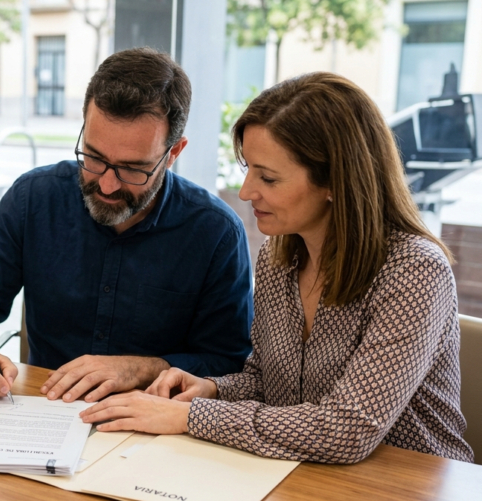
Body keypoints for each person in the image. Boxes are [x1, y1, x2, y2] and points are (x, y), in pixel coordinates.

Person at [80, 72, 474, 464]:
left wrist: (190, 415)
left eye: (268, 177)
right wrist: (210, 389)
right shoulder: (277, 257)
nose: (247, 191)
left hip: (412, 493)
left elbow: (348, 430)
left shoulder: (415, 271)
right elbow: (266, 384)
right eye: (248, 168)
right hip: (304, 477)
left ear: (335, 181)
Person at [0, 47, 254, 403]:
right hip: (46, 415)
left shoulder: (215, 233)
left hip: (157, 435)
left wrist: (140, 369)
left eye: (133, 168)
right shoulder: (34, 199)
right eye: (94, 158)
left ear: (174, 153)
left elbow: (229, 364)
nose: (107, 185)